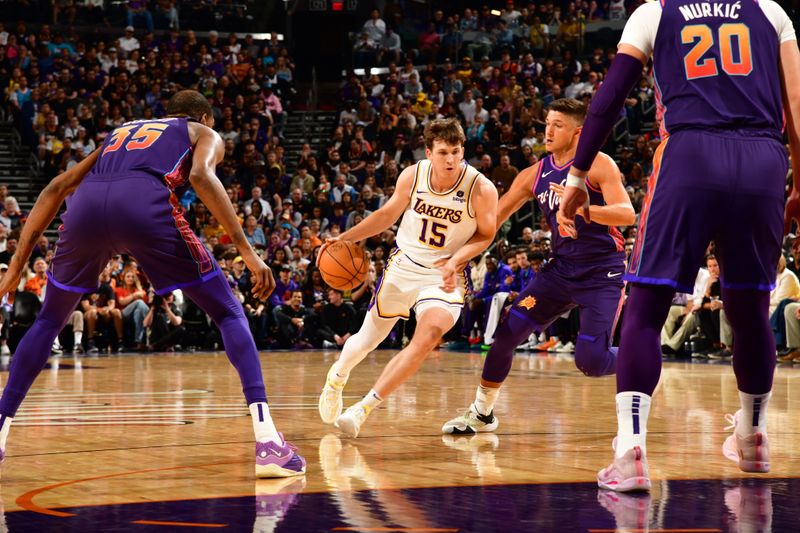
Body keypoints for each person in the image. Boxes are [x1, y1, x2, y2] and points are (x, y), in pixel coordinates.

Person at [558, 0, 800, 491]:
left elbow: (608, 99)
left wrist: (578, 174)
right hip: (763, 160)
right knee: (751, 307)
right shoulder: (771, 11)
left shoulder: (655, 12)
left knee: (646, 306)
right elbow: (796, 99)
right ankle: (753, 437)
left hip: (690, 154)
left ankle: (630, 452)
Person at [0, 90, 305, 477]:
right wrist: (247, 250)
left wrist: (15, 266)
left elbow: (55, 189)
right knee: (228, 312)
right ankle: (268, 444)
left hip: (87, 208)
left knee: (48, 321)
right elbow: (199, 175)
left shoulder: (121, 132)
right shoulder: (202, 132)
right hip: (143, 203)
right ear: (204, 118)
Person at [441, 98, 634, 435]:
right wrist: (456, 251)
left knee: (591, 361)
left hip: (602, 272)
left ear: (578, 131)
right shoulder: (535, 174)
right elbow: (496, 218)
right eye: (547, 122)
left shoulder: (600, 164)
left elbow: (627, 214)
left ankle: (642, 359)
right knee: (505, 335)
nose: (548, 130)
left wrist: (585, 210)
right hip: (559, 271)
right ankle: (482, 414)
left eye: (557, 124)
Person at [317, 118, 498, 437]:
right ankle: (337, 378)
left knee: (427, 337)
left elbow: (486, 235)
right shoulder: (413, 175)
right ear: (428, 152)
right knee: (366, 341)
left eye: (456, 152)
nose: (451, 160)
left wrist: (455, 260)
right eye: (443, 153)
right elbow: (386, 215)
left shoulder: (480, 188)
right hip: (404, 265)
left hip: (444, 275)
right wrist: (346, 238)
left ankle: (363, 409)